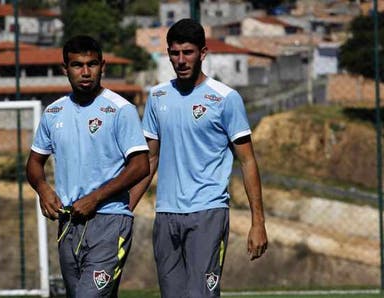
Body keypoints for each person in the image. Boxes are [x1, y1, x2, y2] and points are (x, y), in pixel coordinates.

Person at [130, 19, 268, 298]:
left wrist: (258, 222)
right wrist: (125, 207)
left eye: (188, 52)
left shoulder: (226, 99)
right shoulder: (157, 97)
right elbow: (150, 160)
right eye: (174, 53)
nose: (180, 60)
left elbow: (248, 161)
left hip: (208, 212)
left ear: (202, 53)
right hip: (166, 213)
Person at [26, 35, 150, 298]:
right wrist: (42, 188)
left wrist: (95, 198)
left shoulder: (120, 110)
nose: (85, 72)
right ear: (65, 69)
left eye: (92, 64)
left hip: (109, 222)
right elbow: (34, 163)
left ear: (102, 66)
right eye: (77, 65)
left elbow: (140, 166)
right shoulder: (53, 113)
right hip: (68, 224)